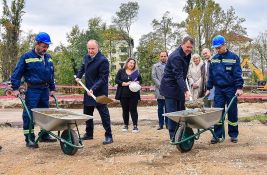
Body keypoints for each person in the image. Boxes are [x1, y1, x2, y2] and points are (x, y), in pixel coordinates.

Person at [11, 32, 57, 148]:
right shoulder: (27, 57)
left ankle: (44, 135)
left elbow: (51, 74)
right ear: (37, 43)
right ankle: (29, 138)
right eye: (43, 46)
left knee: (45, 113)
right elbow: (17, 73)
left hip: (45, 89)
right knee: (29, 114)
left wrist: (52, 88)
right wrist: (15, 88)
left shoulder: (48, 58)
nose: (45, 48)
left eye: (47, 46)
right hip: (33, 90)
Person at [205, 35, 243, 144]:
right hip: (219, 90)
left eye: (218, 47)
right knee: (217, 113)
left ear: (224, 45)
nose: (217, 50)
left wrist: (239, 87)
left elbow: (237, 74)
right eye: (215, 48)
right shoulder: (214, 60)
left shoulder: (234, 57)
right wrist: (208, 88)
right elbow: (211, 76)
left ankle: (233, 134)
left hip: (231, 89)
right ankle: (217, 135)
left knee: (232, 112)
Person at [76, 39, 113, 145]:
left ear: (98, 48)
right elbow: (82, 67)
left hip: (99, 91)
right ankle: (89, 133)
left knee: (104, 113)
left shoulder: (103, 60)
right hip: (88, 90)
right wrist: (78, 76)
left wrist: (94, 88)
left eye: (93, 48)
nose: (90, 51)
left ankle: (109, 135)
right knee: (87, 113)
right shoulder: (86, 57)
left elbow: (103, 78)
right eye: (89, 48)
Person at [160, 36, 194, 140]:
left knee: (181, 111)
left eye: (191, 47)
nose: (189, 49)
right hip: (169, 88)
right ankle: (173, 137)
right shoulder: (176, 56)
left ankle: (182, 134)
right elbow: (178, 75)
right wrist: (186, 90)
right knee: (173, 113)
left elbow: (183, 74)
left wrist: (183, 88)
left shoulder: (187, 54)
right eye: (187, 46)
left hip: (179, 86)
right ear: (182, 44)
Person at [115, 58, 142, 133]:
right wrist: (124, 83)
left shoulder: (135, 72)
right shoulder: (121, 71)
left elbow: (140, 80)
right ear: (127, 63)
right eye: (130, 63)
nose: (132, 64)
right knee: (125, 110)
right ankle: (125, 125)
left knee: (133, 110)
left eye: (133, 63)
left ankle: (135, 126)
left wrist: (137, 81)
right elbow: (116, 80)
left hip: (134, 94)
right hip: (123, 94)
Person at [152, 51, 168, 130]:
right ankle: (161, 124)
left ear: (167, 57)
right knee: (160, 108)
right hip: (159, 89)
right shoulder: (155, 66)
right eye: (161, 56)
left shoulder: (170, 65)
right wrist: (160, 85)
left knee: (168, 108)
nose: (163, 57)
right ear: (159, 57)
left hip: (169, 89)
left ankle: (168, 124)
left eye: (164, 56)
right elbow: (154, 77)